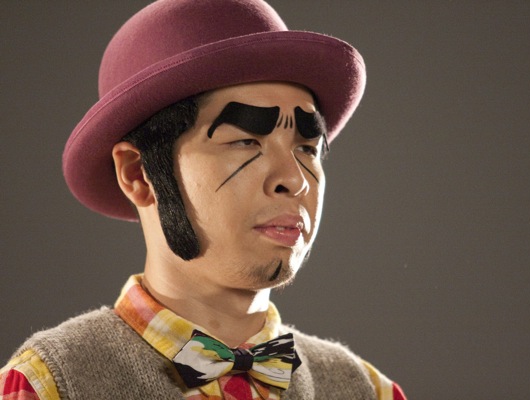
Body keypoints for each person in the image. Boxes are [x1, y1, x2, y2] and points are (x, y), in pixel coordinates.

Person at [1, 1, 406, 399]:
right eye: (246, 141)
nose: (294, 179)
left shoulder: (368, 392)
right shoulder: (50, 385)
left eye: (307, 148)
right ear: (138, 173)